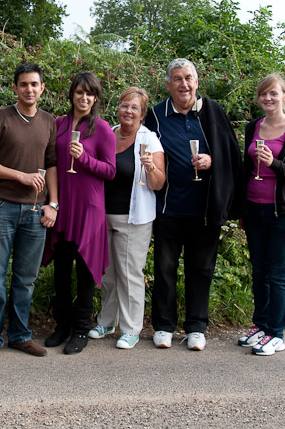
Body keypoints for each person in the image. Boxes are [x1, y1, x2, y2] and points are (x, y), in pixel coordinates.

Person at [144, 58, 244, 351]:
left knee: (201, 269)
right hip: (168, 208)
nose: (183, 84)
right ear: (168, 84)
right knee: (164, 269)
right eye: (177, 79)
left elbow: (231, 154)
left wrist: (211, 161)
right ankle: (163, 325)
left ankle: (196, 326)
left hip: (204, 209)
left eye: (188, 78)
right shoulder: (156, 115)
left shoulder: (213, 112)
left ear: (197, 82)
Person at [0, 63, 59, 362]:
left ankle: (20, 336)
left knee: (26, 278)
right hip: (1, 206)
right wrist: (19, 176)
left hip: (37, 210)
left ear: (42, 88)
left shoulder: (50, 122)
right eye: (24, 84)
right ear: (15, 87)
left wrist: (53, 203)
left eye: (35, 84)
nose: (29, 89)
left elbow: (52, 165)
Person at [41, 72, 116, 355]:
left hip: (89, 209)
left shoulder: (103, 129)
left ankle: (81, 328)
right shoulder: (58, 124)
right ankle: (61, 325)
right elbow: (50, 162)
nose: (84, 98)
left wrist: (84, 158)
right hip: (62, 205)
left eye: (90, 94)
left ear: (95, 98)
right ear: (71, 94)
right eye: (79, 92)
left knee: (84, 271)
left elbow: (110, 171)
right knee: (61, 272)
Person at [238, 74, 285, 356]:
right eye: (263, 94)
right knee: (259, 271)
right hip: (255, 208)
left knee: (277, 273)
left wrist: (275, 164)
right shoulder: (253, 127)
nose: (268, 99)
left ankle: (276, 333)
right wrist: (242, 209)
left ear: (284, 97)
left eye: (273, 94)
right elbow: (246, 170)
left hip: (283, 211)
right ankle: (261, 325)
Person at [88, 87, 166, 349]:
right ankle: (107, 320)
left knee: (130, 273)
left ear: (142, 114)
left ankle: (131, 328)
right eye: (124, 105)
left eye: (134, 108)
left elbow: (158, 184)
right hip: (103, 215)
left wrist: (150, 167)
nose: (128, 111)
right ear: (118, 108)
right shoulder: (108, 133)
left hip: (134, 218)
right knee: (108, 273)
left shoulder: (150, 140)